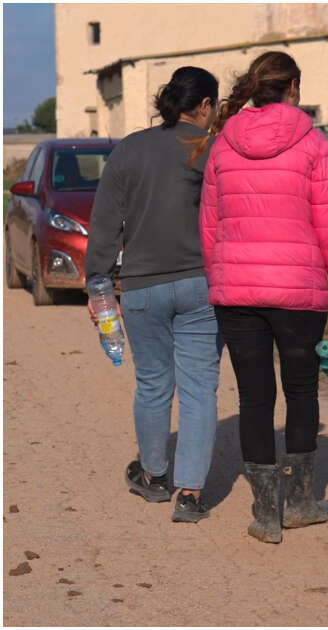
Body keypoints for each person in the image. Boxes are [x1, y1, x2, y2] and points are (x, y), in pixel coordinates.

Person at [199, 51, 328, 543]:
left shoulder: (223, 146)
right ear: (293, 88)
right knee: (301, 391)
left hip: (237, 293)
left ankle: (266, 514)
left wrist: (222, 279)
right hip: (298, 294)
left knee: (253, 397)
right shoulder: (313, 144)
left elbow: (210, 227)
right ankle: (302, 501)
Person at [84, 66, 222, 523]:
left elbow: (105, 225)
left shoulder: (129, 149)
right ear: (204, 106)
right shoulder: (209, 148)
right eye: (214, 107)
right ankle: (189, 495)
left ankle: (155, 476)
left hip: (143, 287)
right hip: (202, 284)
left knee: (153, 384)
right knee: (200, 389)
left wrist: (98, 284)